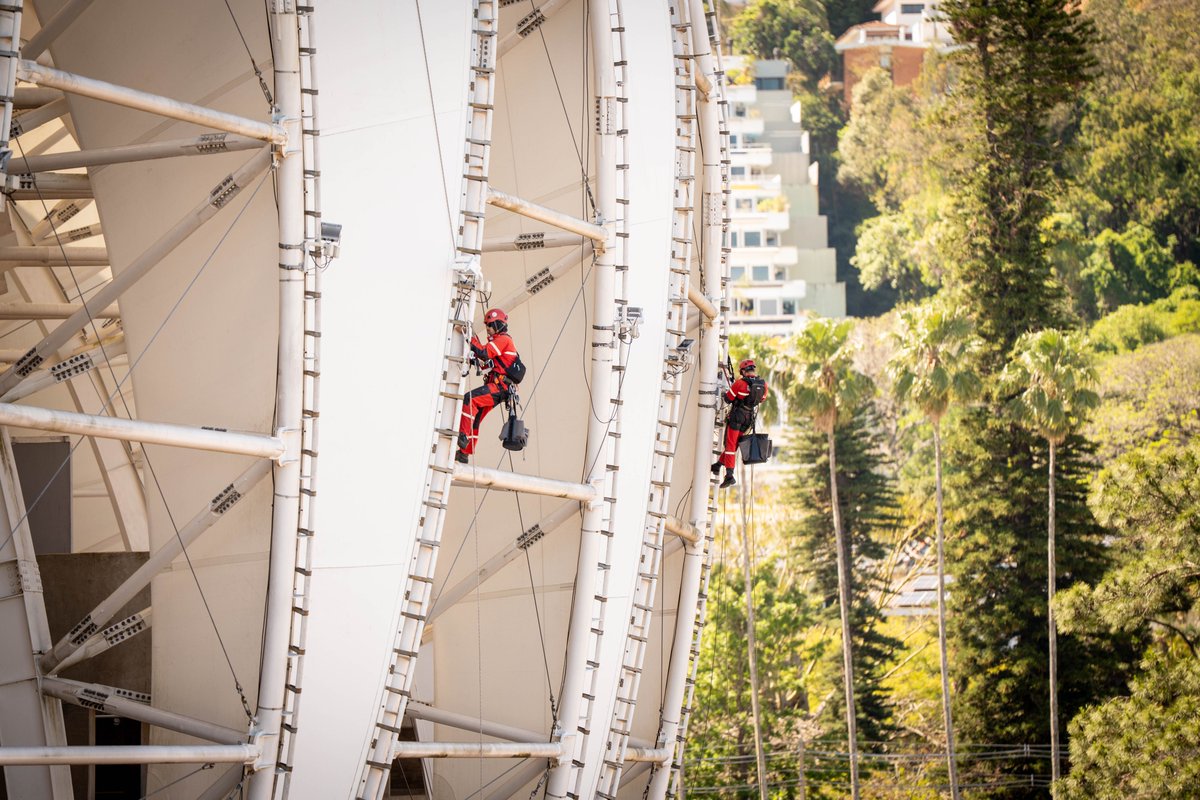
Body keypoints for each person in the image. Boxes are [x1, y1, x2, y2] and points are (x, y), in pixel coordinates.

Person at [457, 308, 520, 463]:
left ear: (499, 324)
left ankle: (462, 436)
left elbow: (484, 352)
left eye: (490, 325)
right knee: (476, 416)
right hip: (501, 387)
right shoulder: (499, 342)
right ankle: (464, 453)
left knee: (469, 399)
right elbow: (486, 360)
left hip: (500, 387)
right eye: (487, 325)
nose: (488, 328)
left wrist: (470, 337)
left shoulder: (504, 340)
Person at [712, 358, 769, 489]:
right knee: (734, 444)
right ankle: (718, 465)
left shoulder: (740, 384)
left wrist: (730, 394)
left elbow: (728, 399)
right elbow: (762, 399)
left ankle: (729, 476)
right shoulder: (763, 385)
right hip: (748, 419)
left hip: (737, 417)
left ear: (743, 371)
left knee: (731, 445)